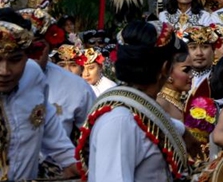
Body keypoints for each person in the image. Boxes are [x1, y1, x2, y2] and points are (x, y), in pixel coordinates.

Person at [78, 20, 192, 181]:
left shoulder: (133, 110)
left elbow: (150, 117)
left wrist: (182, 130)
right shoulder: (120, 122)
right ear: (165, 69)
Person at [0, 8, 79, 180]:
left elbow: (47, 122)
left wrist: (72, 163)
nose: (4, 71)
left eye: (15, 60)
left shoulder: (33, 75)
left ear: (28, 56)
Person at [23, 13, 95, 142]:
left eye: (36, 47)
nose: (29, 54)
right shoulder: (6, 79)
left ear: (50, 46)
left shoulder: (76, 87)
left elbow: (94, 139)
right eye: (23, 47)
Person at [156, 41, 193, 121]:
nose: (191, 75)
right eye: (186, 70)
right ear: (167, 71)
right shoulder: (161, 104)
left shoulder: (182, 102)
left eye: (192, 70)